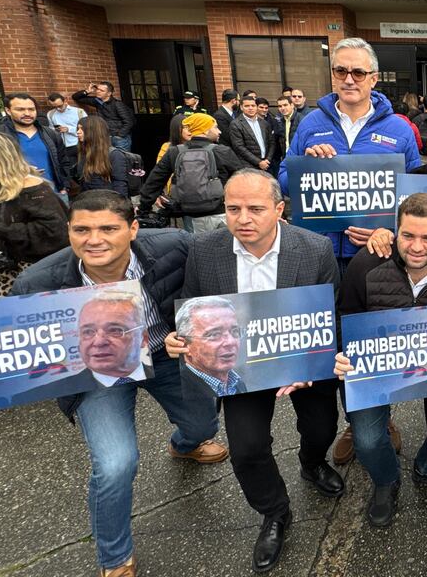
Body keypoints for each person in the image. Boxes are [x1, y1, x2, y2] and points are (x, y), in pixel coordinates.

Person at [0, 190, 229, 577]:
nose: (94, 239)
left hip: (165, 351)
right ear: (69, 231)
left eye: (108, 228)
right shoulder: (38, 282)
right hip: (97, 374)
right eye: (82, 230)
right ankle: (114, 557)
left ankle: (185, 443)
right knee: (114, 464)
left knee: (204, 423)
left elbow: (229, 267)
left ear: (133, 229)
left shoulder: (176, 245)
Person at [164, 169, 341, 572]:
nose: (243, 218)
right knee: (246, 450)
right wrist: (181, 338)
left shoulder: (314, 249)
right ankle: (275, 511)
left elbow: (330, 313)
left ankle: (312, 462)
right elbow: (192, 305)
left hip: (301, 361)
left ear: (279, 210)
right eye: (233, 208)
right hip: (241, 365)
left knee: (322, 428)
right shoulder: (205, 250)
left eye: (255, 209)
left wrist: (309, 362)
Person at [332, 193, 427, 527]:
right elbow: (345, 317)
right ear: (395, 231)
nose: (417, 246)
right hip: (375, 365)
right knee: (367, 440)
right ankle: (386, 481)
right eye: (408, 235)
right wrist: (342, 355)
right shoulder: (364, 266)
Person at [277, 37, 422, 261]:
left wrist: (390, 232)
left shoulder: (399, 130)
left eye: (358, 73)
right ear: (333, 75)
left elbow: (416, 197)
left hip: (377, 254)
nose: (349, 80)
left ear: (373, 79)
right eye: (341, 71)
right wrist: (306, 168)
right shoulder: (310, 123)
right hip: (320, 251)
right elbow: (284, 183)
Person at [0, 131, 69, 297]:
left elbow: (55, 232)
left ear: (4, 157)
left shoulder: (32, 189)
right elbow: (15, 222)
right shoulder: (1, 185)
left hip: (39, 274)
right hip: (13, 269)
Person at [12, 289, 150, 404]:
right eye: (88, 332)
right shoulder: (50, 386)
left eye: (115, 330)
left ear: (143, 338)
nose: (99, 342)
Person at [141, 113, 243, 233]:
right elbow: (242, 180)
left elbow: (154, 182)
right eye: (215, 127)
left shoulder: (174, 152)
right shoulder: (222, 151)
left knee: (199, 249)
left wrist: (143, 209)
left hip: (191, 215)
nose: (219, 131)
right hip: (221, 212)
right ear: (204, 130)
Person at [0, 93, 70, 193]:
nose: (27, 113)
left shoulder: (50, 134)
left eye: (31, 109)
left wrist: (64, 186)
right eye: (20, 109)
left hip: (54, 194)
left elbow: (63, 161)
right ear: (8, 111)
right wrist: (19, 170)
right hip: (17, 195)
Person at [177, 297, 245, 396]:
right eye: (214, 334)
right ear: (185, 344)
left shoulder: (238, 383)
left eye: (235, 331)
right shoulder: (180, 391)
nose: (230, 342)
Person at [74, 115, 129, 196]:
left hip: (108, 203)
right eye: (78, 128)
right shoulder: (83, 153)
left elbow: (120, 185)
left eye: (82, 128)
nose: (78, 132)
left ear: (94, 131)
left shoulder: (115, 155)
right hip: (89, 202)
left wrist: (120, 207)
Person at [75, 81, 136, 151]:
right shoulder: (97, 101)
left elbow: (129, 122)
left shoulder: (118, 104)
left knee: (122, 159)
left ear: (109, 93)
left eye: (102, 90)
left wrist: (119, 135)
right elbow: (76, 97)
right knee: (108, 159)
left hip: (119, 139)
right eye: (98, 89)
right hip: (105, 137)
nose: (98, 91)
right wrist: (88, 91)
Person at [230, 93, 275, 172]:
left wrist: (268, 159)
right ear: (241, 107)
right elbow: (239, 147)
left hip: (267, 164)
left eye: (253, 106)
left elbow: (271, 143)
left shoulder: (264, 123)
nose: (250, 108)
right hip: (248, 166)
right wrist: (259, 162)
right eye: (247, 106)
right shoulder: (236, 124)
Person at [47, 92, 82, 169]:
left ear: (65, 100)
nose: (58, 108)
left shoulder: (79, 112)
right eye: (55, 107)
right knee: (69, 170)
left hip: (79, 144)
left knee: (83, 168)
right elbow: (51, 129)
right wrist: (55, 130)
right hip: (62, 147)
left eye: (60, 106)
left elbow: (87, 129)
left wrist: (69, 129)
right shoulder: (50, 114)